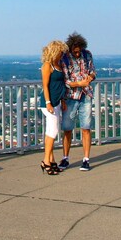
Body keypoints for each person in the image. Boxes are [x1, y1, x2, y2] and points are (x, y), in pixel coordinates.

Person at [60, 32, 96, 171]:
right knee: (67, 128)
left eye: (79, 51)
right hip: (70, 97)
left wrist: (90, 78)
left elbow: (93, 71)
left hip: (86, 95)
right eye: (75, 51)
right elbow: (66, 80)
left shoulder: (87, 55)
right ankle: (65, 158)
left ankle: (86, 159)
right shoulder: (65, 58)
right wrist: (80, 83)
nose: (77, 54)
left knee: (86, 127)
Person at [39, 40, 69, 174]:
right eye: (60, 52)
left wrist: (62, 100)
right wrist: (48, 102)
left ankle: (51, 159)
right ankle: (46, 161)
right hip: (49, 102)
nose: (62, 55)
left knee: (50, 131)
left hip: (57, 101)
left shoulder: (59, 65)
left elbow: (60, 85)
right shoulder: (47, 65)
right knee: (54, 131)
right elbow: (45, 86)